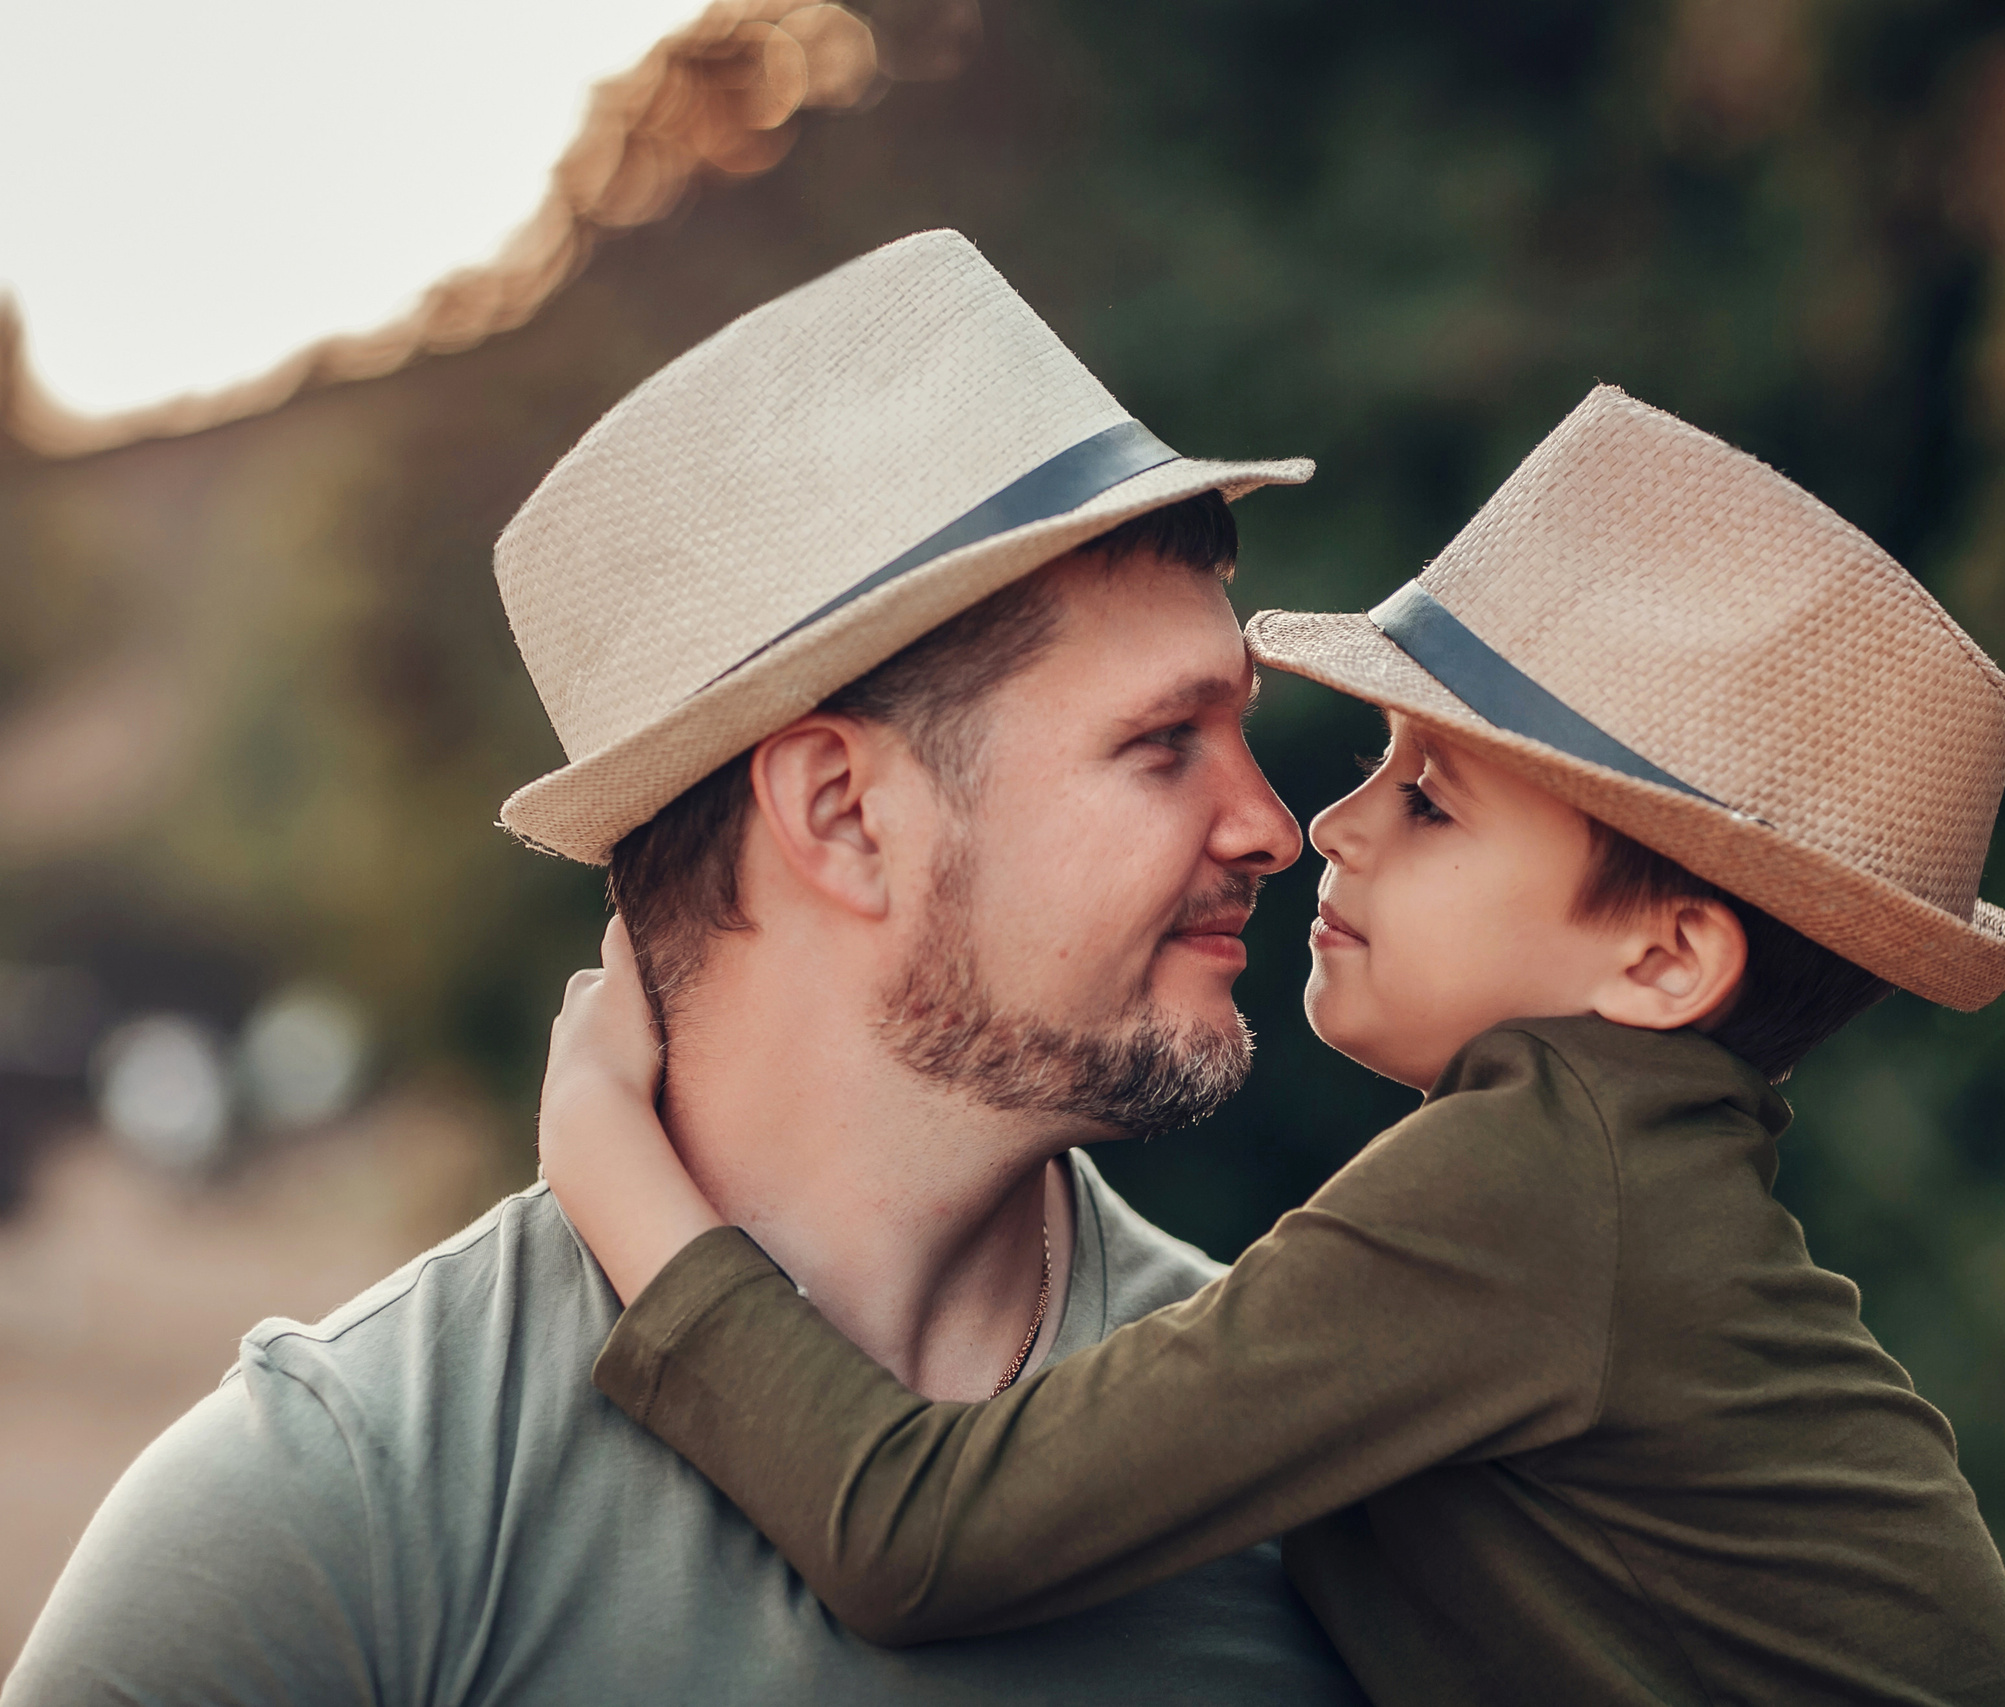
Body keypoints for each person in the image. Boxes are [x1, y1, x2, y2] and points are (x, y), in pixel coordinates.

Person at [540, 385, 2005, 1707]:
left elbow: (920, 1539)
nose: (1318, 827)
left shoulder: (1540, 1190)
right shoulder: (1625, 1196)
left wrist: (614, 1162)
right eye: (1371, 768)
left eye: (1431, 801)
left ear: (1662, 958)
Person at [5, 231, 1368, 1704]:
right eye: (1165, 745)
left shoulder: (1312, 1489)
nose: (1271, 827)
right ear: (843, 817)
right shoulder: (339, 1515)